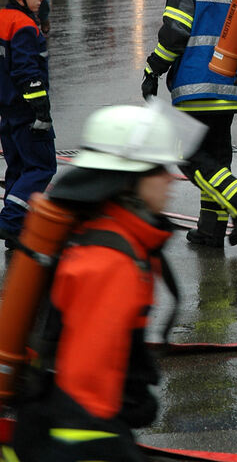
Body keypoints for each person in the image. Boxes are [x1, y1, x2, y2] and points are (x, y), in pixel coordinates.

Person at [7, 100, 203, 462]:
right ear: (128, 180)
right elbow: (83, 394)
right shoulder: (110, 262)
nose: (169, 178)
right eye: (158, 167)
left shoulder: (109, 233)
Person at [141, 0, 237, 248]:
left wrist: (153, 69)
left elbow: (174, 34)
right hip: (228, 87)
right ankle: (210, 230)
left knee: (188, 155)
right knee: (216, 159)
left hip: (194, 86)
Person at [0, 0, 56, 249]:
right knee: (41, 167)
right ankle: (10, 221)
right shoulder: (22, 25)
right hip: (27, 114)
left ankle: (16, 232)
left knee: (18, 169)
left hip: (7, 114)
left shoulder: (1, 20)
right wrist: (41, 111)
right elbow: (26, 73)